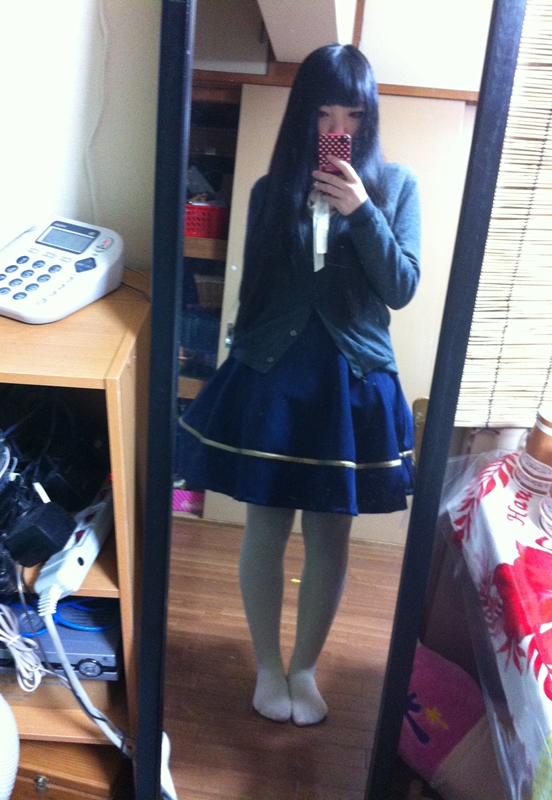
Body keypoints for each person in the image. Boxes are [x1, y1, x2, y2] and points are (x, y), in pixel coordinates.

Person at [177, 43, 421, 726]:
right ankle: (267, 664)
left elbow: (401, 287)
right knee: (265, 526)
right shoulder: (269, 190)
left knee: (330, 533)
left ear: (370, 118)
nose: (338, 128)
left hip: (351, 382)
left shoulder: (397, 186)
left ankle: (305, 668)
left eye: (354, 114)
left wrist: (362, 211)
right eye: (323, 114)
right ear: (302, 116)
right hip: (276, 377)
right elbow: (255, 292)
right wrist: (239, 366)